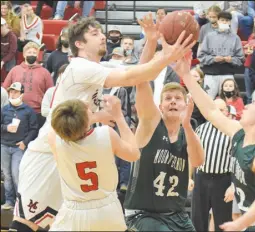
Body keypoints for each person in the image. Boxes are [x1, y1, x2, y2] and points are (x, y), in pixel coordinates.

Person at [9, 15, 196, 231]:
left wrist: (152, 41)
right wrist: (168, 54)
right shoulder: (80, 67)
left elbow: (139, 74)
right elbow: (133, 77)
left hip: (75, 151)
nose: (103, 36)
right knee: (26, 223)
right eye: (94, 34)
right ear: (79, 43)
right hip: (49, 152)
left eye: (101, 32)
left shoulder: (97, 67)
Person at [171, 53, 255, 231]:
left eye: (254, 104)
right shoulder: (241, 134)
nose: (248, 105)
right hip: (253, 223)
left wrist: (239, 224)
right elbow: (211, 111)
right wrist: (186, 76)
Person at [48, 96, 139, 231]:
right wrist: (119, 116)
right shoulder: (106, 134)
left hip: (74, 212)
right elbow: (134, 154)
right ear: (85, 123)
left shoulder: (54, 140)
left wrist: (89, 115)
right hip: (108, 211)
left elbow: (62, 122)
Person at [124, 81, 205, 231]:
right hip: (143, 213)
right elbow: (141, 88)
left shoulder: (189, 134)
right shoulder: (150, 125)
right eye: (168, 98)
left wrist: (186, 125)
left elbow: (198, 161)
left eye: (178, 98)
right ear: (160, 107)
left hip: (176, 215)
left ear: (186, 106)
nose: (173, 101)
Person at [192, 98, 234, 231]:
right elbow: (191, 154)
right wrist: (189, 177)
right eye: (217, 109)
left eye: (223, 110)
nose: (220, 113)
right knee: (197, 220)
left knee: (222, 221)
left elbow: (238, 160)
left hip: (223, 180)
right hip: (201, 177)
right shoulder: (200, 129)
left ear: (227, 112)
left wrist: (233, 185)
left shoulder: (233, 131)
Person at [1, 82, 38, 210]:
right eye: (11, 92)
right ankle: (9, 201)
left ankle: (19, 201)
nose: (12, 94)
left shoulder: (28, 111)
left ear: (22, 94)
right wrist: (6, 128)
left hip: (18, 148)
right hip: (4, 146)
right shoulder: (4, 109)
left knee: (16, 174)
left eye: (15, 92)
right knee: (7, 175)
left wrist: (25, 142)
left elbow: (34, 129)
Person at [3, 42, 54, 130]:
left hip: (37, 113)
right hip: (16, 112)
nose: (32, 54)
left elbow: (51, 93)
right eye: (29, 52)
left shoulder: (45, 72)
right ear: (24, 54)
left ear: (37, 55)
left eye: (34, 53)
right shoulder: (15, 70)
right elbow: (4, 90)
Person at [198, 11, 244, 99]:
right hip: (210, 74)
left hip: (227, 75)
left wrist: (231, 60)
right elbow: (201, 56)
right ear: (218, 21)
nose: (224, 22)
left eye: (227, 21)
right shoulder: (209, 36)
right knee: (208, 100)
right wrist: (213, 59)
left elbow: (240, 58)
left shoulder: (235, 38)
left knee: (228, 101)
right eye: (222, 20)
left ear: (230, 22)